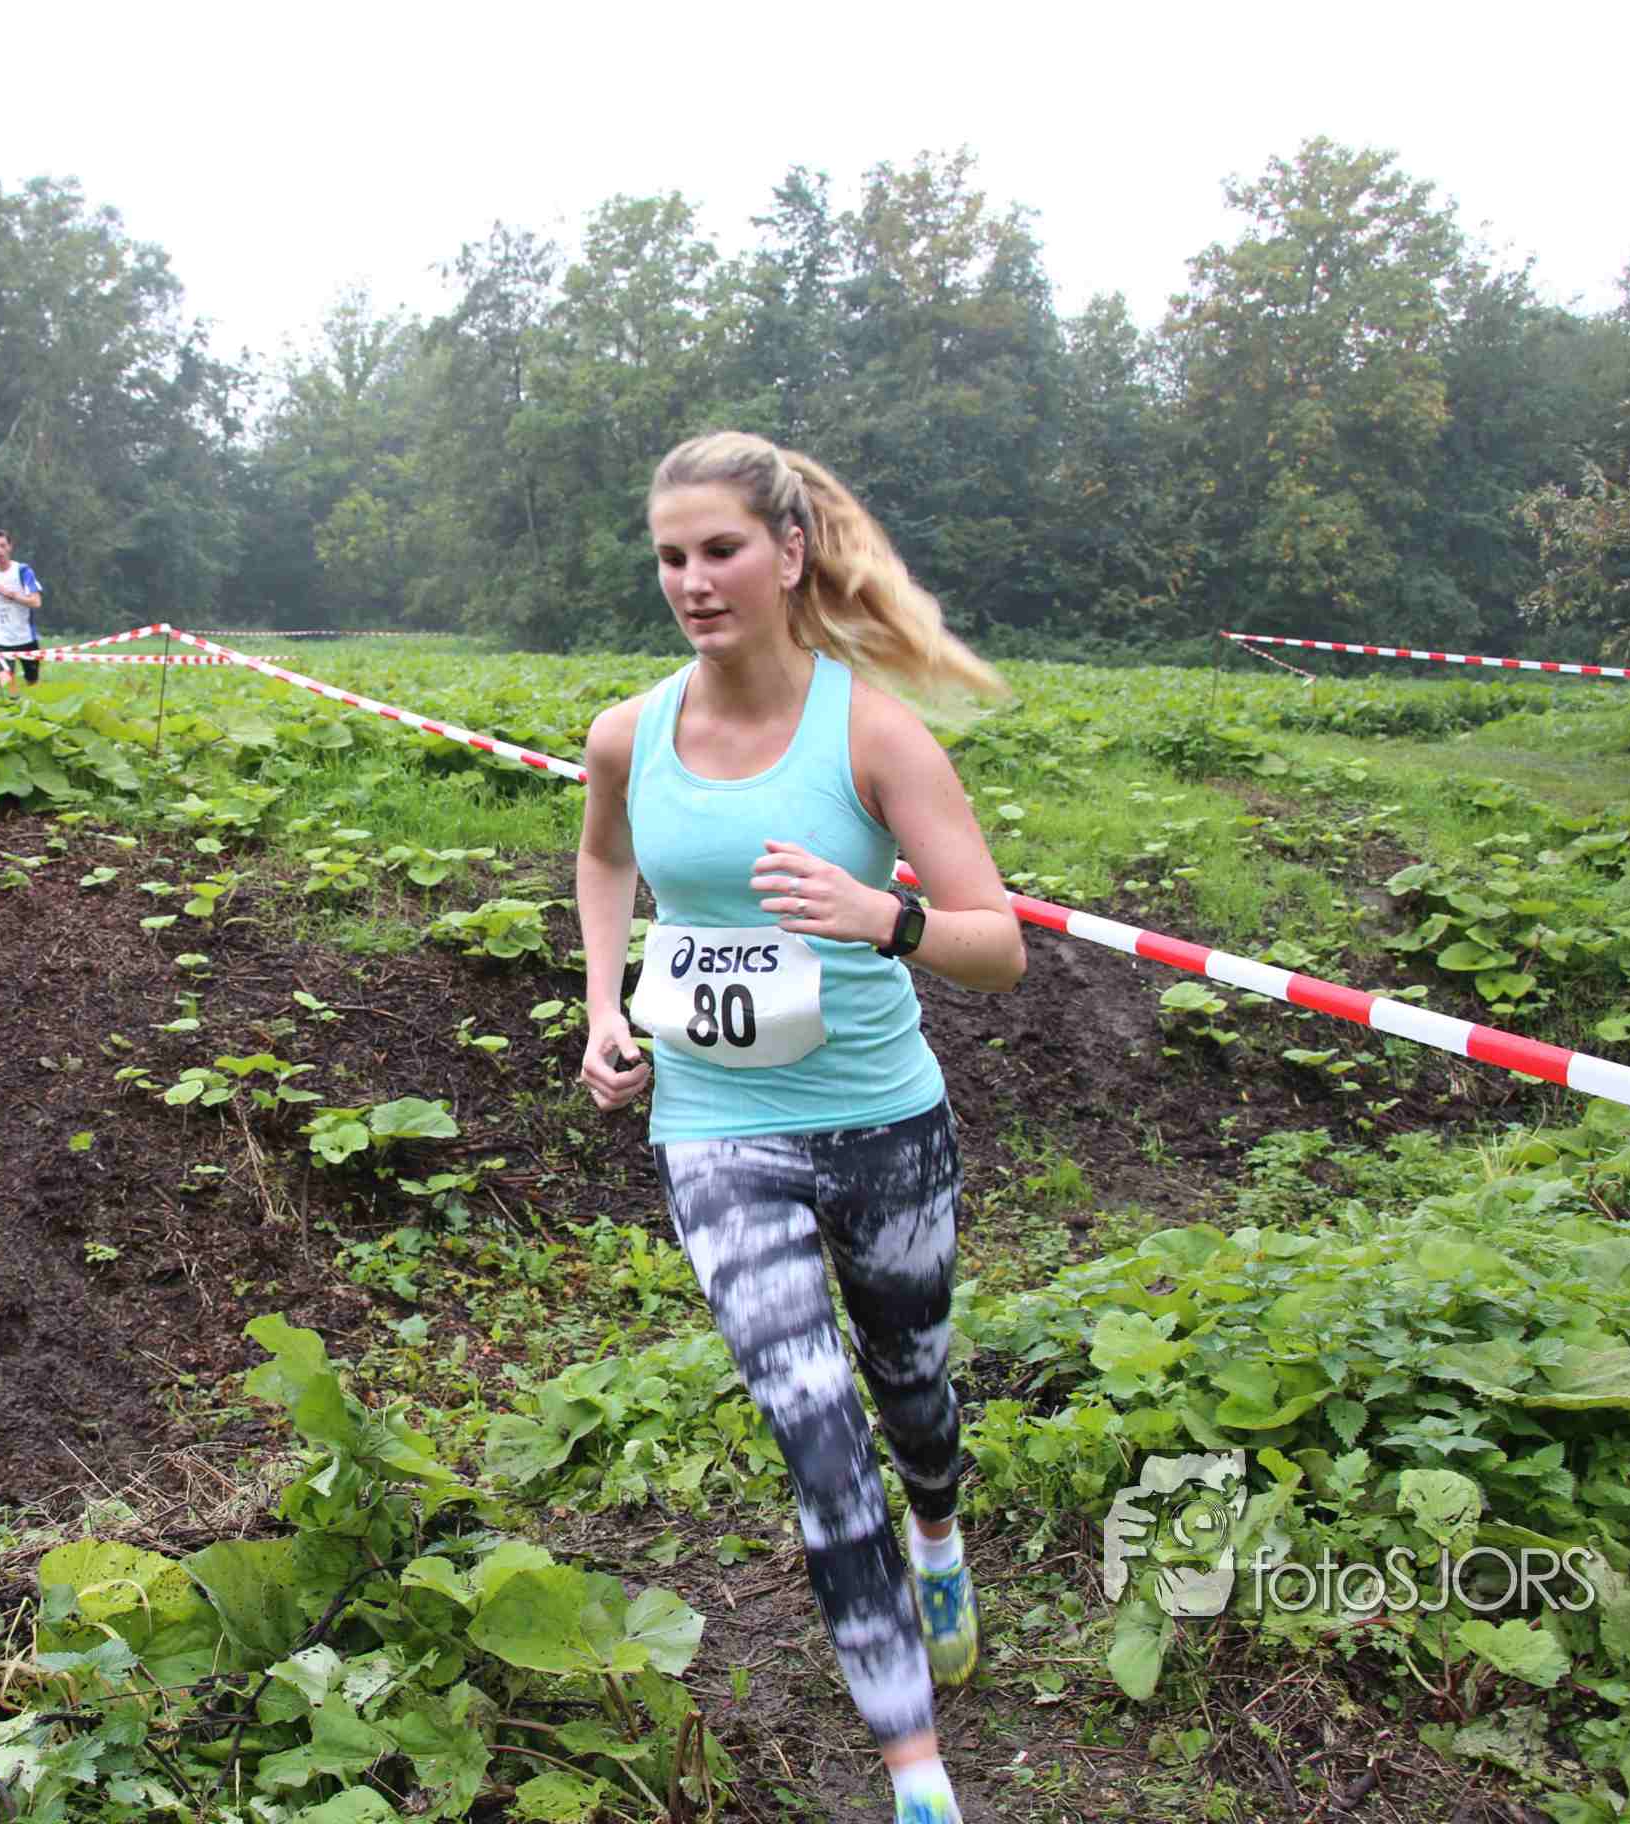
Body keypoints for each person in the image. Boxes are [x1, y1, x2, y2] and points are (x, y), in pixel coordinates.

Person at [575, 432, 1024, 1824]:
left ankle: (938, 1532)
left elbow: (998, 946)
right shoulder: (628, 734)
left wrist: (882, 916)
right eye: (670, 557)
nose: (693, 581)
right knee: (816, 1434)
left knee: (911, 1391)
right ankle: (918, 1775)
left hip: (882, 1122)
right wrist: (602, 1006)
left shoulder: (873, 735)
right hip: (716, 1128)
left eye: (720, 550)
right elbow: (603, 856)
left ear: (788, 553)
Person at [0, 529, 45, 697]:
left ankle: (32, 709)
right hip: (2, 641)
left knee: (32, 683)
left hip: (26, 639)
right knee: (7, 686)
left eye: (2, 546)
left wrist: (11, 595)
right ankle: (12, 705)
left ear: (10, 547)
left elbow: (36, 602)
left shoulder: (23, 571)